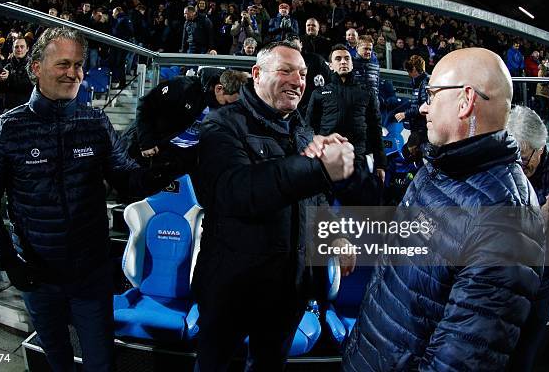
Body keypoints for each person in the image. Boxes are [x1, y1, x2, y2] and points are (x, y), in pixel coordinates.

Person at [0, 27, 165, 372]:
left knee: (101, 362)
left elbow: (127, 180)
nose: (73, 73)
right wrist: (7, 259)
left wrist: (162, 169)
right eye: (63, 64)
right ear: (36, 67)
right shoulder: (6, 129)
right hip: (37, 276)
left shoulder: (95, 122)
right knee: (57, 360)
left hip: (90, 275)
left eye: (78, 65)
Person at [342, 47, 546, 371]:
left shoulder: (506, 221)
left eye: (433, 93)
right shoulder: (439, 164)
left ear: (465, 101)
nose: (423, 106)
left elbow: (458, 363)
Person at [192, 41, 355, 371]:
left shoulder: (301, 129)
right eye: (285, 71)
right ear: (256, 74)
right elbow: (236, 191)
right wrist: (315, 169)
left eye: (303, 74)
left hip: (287, 290)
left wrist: (335, 234)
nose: (297, 81)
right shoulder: (221, 124)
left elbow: (315, 196)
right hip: (231, 288)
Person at [131, 68, 247, 185]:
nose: (228, 107)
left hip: (186, 157)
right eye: (227, 102)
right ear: (219, 89)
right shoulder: (183, 87)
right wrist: (146, 142)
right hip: (158, 151)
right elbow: (146, 105)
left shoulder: (225, 104)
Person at [506, 105, 549, 372]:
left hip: (541, 283)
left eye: (525, 160)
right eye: (515, 160)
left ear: (541, 147)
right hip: (504, 283)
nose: (520, 168)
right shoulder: (503, 168)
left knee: (524, 361)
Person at [306, 43, 386, 206]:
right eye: (338, 59)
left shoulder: (366, 93)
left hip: (357, 163)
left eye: (346, 58)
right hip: (325, 163)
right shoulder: (319, 93)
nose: (343, 61)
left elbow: (375, 129)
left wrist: (380, 163)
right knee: (320, 217)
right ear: (331, 65)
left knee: (359, 219)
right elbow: (308, 129)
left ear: (351, 63)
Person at [396, 54, 430, 142]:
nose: (408, 74)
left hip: (422, 126)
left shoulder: (424, 83)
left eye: (409, 71)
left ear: (414, 69)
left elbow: (425, 107)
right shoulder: (418, 83)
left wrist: (405, 114)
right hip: (417, 124)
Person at [0, 37, 33, 110]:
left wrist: (9, 77)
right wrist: (1, 80)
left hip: (24, 110)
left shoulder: (33, 66)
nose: (19, 49)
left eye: (22, 47)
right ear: (13, 49)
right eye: (16, 47)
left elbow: (28, 86)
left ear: (27, 49)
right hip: (8, 108)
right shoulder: (8, 66)